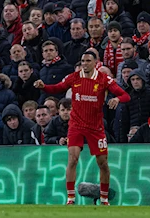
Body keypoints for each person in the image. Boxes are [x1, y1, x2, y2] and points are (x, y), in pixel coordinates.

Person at [34, 50, 130, 205]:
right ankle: (70, 198)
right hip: (76, 125)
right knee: (72, 159)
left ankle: (104, 198)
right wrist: (43, 86)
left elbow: (126, 95)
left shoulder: (104, 79)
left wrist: (118, 99)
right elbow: (57, 88)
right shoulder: (74, 77)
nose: (84, 64)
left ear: (96, 62)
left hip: (95, 127)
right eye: (82, 61)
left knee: (103, 164)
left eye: (88, 61)